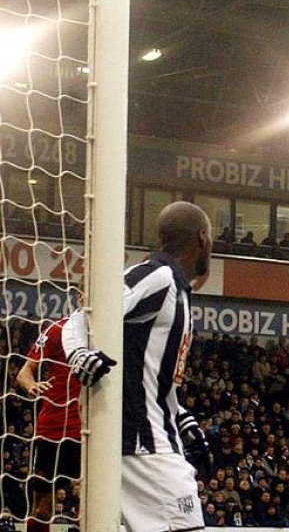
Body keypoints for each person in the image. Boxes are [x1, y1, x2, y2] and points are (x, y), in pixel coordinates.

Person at [62, 201, 214, 532]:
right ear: (202, 238)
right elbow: (82, 315)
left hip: (147, 441)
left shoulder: (178, 290)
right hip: (144, 447)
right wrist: (78, 354)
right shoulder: (158, 275)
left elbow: (152, 376)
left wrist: (181, 416)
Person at [15, 314, 82, 532]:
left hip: (94, 428)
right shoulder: (58, 329)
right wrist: (32, 386)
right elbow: (24, 373)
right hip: (54, 428)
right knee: (43, 509)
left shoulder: (112, 332)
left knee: (94, 505)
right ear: (81, 297)